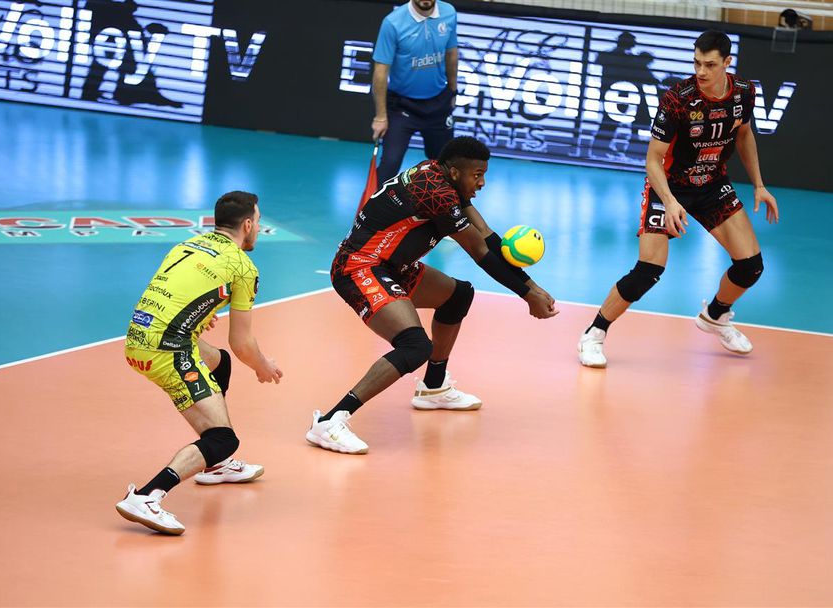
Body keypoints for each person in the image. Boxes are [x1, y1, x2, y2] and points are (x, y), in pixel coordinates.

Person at [308, 136, 558, 454]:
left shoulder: (442, 178)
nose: (482, 183)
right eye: (477, 175)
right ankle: (329, 421)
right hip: (359, 267)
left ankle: (433, 387)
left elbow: (486, 235)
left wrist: (532, 286)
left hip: (394, 266)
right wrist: (526, 294)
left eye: (484, 174)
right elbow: (479, 251)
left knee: (458, 295)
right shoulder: (435, 192)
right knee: (415, 346)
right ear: (455, 172)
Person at [578, 30, 779, 368]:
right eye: (697, 63)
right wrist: (670, 201)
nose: (701, 71)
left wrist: (759, 184)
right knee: (649, 270)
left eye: (710, 65)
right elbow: (652, 160)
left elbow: (744, 134)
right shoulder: (677, 98)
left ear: (727, 63)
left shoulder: (744, 92)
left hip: (712, 183)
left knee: (750, 266)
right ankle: (594, 333)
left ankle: (716, 315)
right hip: (668, 186)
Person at [116, 191, 283, 535]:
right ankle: (147, 496)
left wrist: (200, 317)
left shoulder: (187, 245)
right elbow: (242, 343)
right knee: (223, 438)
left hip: (138, 337)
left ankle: (216, 465)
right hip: (167, 348)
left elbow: (175, 293)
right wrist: (262, 365)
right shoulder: (242, 267)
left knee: (219, 364)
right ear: (247, 225)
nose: (258, 228)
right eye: (258, 221)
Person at [371, 0, 458, 186]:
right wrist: (380, 117)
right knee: (390, 163)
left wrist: (453, 89)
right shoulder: (392, 23)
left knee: (446, 166)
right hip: (402, 107)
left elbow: (451, 53)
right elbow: (380, 72)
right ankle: (376, 205)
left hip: (438, 104)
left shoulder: (449, 12)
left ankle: (442, 204)